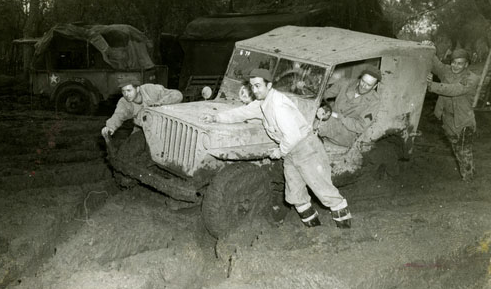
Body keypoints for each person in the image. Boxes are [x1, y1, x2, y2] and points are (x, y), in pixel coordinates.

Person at [201, 68, 352, 229]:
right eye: (252, 86)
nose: (254, 90)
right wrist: (216, 117)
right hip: (291, 152)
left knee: (323, 190)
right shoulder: (262, 103)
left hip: (306, 148)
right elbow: (242, 113)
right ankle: (314, 228)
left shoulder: (278, 105)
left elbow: (293, 136)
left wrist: (279, 151)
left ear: (269, 85)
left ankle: (345, 230)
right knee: (295, 195)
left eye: (258, 86)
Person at [427, 48, 479, 182]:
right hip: (448, 120)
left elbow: (454, 89)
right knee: (456, 149)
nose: (455, 66)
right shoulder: (447, 71)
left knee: (464, 151)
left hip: (463, 122)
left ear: (466, 64)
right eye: (454, 63)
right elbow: (435, 64)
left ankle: (468, 181)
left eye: (460, 63)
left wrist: (431, 85)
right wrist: (430, 48)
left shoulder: (471, 78)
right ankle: (470, 172)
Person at [316, 66, 381, 147]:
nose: (363, 86)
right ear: (360, 78)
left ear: (374, 86)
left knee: (319, 126)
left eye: (368, 85)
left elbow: (360, 126)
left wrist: (337, 116)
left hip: (347, 133)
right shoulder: (345, 83)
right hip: (330, 118)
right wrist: (319, 106)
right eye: (363, 81)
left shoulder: (374, 101)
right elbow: (323, 95)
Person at [101, 78, 183, 141]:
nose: (126, 94)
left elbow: (177, 94)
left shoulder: (150, 90)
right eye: (123, 91)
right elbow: (118, 116)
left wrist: (160, 104)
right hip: (142, 127)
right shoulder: (124, 102)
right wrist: (110, 127)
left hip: (164, 124)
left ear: (137, 89)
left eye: (129, 90)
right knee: (132, 146)